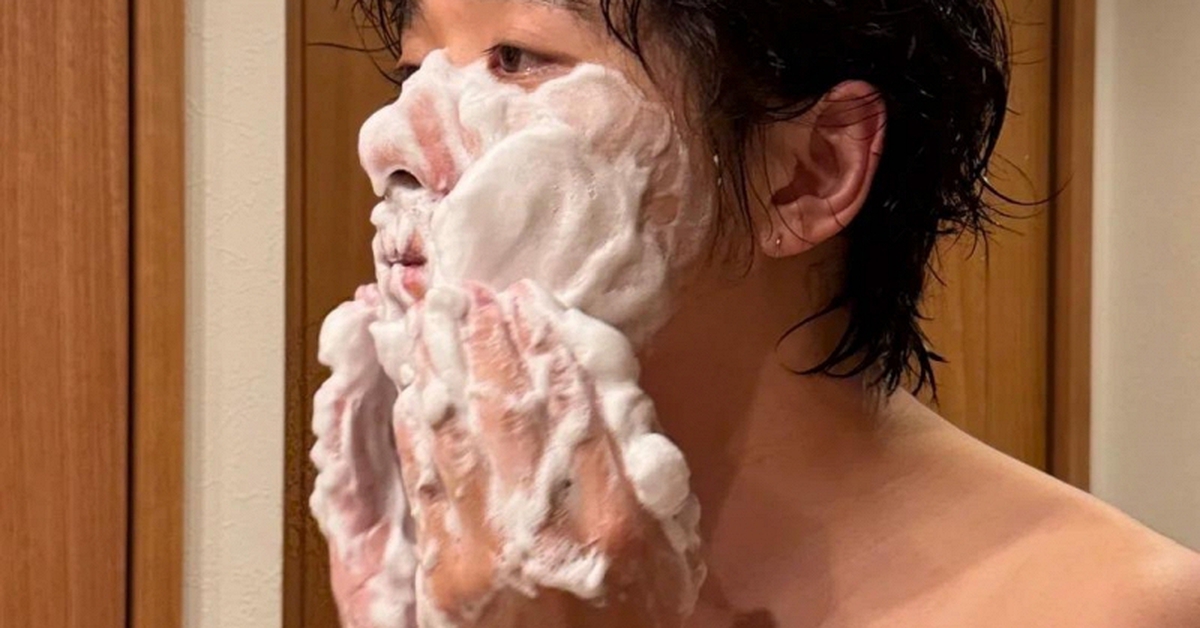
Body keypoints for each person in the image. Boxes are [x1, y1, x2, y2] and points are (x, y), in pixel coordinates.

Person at [338, 0, 1200, 625]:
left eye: (516, 59)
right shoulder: (436, 562)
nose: (384, 143)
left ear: (809, 172)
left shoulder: (1111, 608)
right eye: (413, 71)